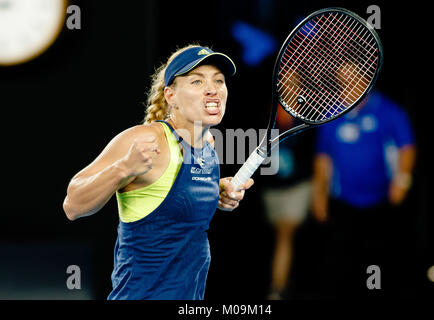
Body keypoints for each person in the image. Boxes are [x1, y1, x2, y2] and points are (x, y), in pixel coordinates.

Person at [62, 45, 254, 300]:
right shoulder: (147, 139)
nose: (213, 89)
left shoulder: (208, 145)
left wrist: (215, 191)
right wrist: (123, 168)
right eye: (197, 81)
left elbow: (167, 198)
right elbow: (73, 205)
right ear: (171, 96)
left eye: (218, 81)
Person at [311, 90, 416, 298]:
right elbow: (323, 157)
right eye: (342, 79)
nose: (347, 84)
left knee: (376, 260)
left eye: (352, 77)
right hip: (343, 201)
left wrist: (402, 181)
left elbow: (407, 147)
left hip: (379, 201)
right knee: (342, 260)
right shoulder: (331, 113)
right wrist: (319, 195)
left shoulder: (388, 110)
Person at [262, 104, 314, 300]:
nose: (290, 87)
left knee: (285, 234)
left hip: (298, 187)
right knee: (279, 237)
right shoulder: (265, 117)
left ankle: (277, 289)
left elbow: (316, 156)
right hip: (271, 190)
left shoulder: (307, 117)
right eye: (286, 82)